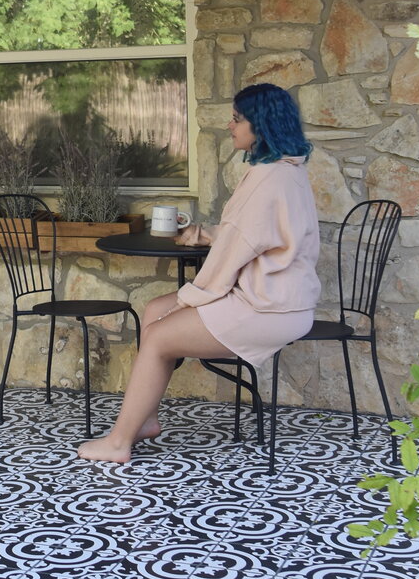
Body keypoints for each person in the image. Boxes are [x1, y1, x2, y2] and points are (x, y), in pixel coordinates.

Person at [78, 82, 320, 462]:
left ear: (260, 125)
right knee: (156, 308)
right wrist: (205, 234)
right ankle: (146, 420)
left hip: (267, 307)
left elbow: (228, 261)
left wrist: (190, 296)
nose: (230, 125)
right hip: (285, 300)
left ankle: (118, 443)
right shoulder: (286, 171)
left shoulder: (267, 178)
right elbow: (256, 234)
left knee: (158, 335)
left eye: (238, 119)